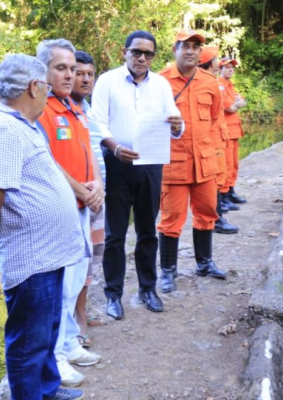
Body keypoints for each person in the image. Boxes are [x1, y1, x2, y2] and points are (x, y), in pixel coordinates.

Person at [0, 54, 84, 400]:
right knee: (28, 341)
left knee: (45, 332)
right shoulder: (3, 128)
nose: (50, 93)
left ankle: (47, 390)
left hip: (47, 253)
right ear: (34, 87)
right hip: (31, 257)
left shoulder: (20, 124)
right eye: (47, 86)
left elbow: (5, 189)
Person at [89, 30, 183, 319]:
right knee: (115, 235)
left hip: (151, 165)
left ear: (154, 56)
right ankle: (113, 295)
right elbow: (96, 123)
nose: (142, 58)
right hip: (117, 166)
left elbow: (175, 120)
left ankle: (147, 289)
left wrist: (178, 125)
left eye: (148, 54)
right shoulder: (107, 81)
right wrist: (115, 147)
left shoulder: (161, 85)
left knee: (147, 232)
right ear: (125, 51)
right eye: (136, 52)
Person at [36, 39, 103, 388]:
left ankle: (68, 344)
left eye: (72, 69)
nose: (71, 75)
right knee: (59, 288)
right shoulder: (41, 109)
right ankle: (56, 359)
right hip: (58, 211)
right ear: (43, 72)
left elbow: (88, 155)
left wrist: (97, 187)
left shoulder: (75, 107)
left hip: (81, 208)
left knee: (76, 279)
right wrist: (81, 190)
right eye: (61, 68)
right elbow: (46, 162)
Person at [158, 30, 229, 294]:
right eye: (185, 46)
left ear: (201, 53)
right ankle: (167, 271)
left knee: (207, 213)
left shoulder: (210, 82)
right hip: (173, 164)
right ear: (174, 50)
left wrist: (214, 155)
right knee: (171, 218)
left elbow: (213, 119)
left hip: (204, 164)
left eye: (196, 47)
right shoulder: (159, 82)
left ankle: (205, 263)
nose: (191, 51)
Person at [70, 50, 105, 348]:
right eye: (76, 72)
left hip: (97, 193)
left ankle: (83, 308)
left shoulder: (85, 108)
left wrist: (100, 187)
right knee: (78, 260)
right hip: (77, 197)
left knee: (94, 255)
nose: (83, 78)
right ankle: (78, 317)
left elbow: (95, 149)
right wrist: (87, 191)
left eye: (88, 74)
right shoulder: (59, 110)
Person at [197, 46, 239, 235]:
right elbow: (228, 108)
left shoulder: (210, 82)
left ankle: (218, 215)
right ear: (212, 63)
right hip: (211, 140)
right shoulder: (208, 83)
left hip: (218, 136)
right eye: (215, 59)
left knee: (219, 177)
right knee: (213, 181)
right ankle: (216, 219)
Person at [218, 57, 248, 206]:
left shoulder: (230, 85)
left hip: (235, 130)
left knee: (234, 163)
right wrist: (237, 103)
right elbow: (230, 107)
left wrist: (238, 103)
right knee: (226, 164)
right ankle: (223, 196)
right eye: (227, 67)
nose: (230, 69)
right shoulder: (219, 85)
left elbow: (242, 101)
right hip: (225, 132)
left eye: (232, 67)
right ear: (220, 69)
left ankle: (231, 191)